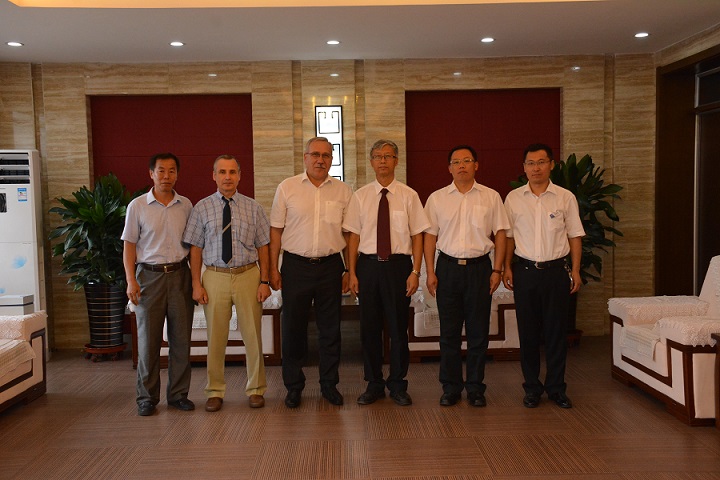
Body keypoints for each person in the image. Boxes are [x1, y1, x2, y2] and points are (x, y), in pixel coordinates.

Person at [344, 139, 429, 406]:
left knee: (397, 328)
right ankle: (374, 384)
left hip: (398, 267)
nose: (383, 160)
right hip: (368, 267)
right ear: (371, 162)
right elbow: (353, 238)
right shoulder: (360, 196)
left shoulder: (409, 195)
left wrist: (416, 271)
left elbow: (418, 236)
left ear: (396, 161)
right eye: (378, 156)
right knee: (369, 329)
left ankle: (398, 385)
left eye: (388, 156)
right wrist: (352, 272)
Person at [182, 154, 271, 412]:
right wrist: (196, 284)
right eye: (222, 172)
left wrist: (264, 281)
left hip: (247, 275)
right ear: (214, 176)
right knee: (216, 338)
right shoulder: (201, 208)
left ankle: (256, 389)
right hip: (215, 276)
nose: (227, 177)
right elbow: (195, 249)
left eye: (232, 172)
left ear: (240, 176)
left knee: (252, 336)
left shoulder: (254, 208)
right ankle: (214, 391)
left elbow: (263, 246)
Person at [269, 137, 353, 408]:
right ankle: (293, 386)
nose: (320, 160)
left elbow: (349, 234)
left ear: (332, 159)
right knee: (293, 329)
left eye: (326, 155)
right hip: (295, 266)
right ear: (305, 157)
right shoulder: (287, 188)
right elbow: (276, 231)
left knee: (331, 330)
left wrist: (349, 270)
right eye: (315, 154)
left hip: (331, 267)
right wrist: (273, 268)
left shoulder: (343, 191)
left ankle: (329, 385)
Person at [423, 145, 509, 408]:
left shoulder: (491, 197)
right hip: (447, 269)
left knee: (478, 332)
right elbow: (430, 236)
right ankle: (450, 388)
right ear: (449, 167)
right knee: (448, 333)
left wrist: (497, 269)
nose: (461, 165)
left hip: (480, 269)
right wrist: (430, 271)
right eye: (456, 161)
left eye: (467, 160)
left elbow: (501, 233)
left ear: (476, 165)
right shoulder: (437, 198)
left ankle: (475, 388)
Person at [502, 143, 585, 409]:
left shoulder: (565, 197)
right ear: (524, 167)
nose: (535, 168)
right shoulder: (513, 198)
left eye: (541, 162)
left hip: (556, 273)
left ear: (551, 165)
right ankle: (532, 389)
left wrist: (576, 270)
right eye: (530, 163)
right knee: (527, 334)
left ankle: (557, 389)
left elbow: (574, 236)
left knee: (556, 333)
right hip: (525, 272)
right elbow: (509, 237)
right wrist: (506, 267)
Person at [122, 152, 195, 417]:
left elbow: (193, 246)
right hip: (148, 277)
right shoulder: (137, 206)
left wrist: (196, 281)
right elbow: (129, 245)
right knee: (148, 342)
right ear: (151, 174)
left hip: (179, 275)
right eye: (161, 171)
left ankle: (178, 395)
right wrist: (131, 280)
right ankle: (146, 398)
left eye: (172, 171)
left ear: (177, 174)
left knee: (181, 341)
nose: (166, 176)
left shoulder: (186, 205)